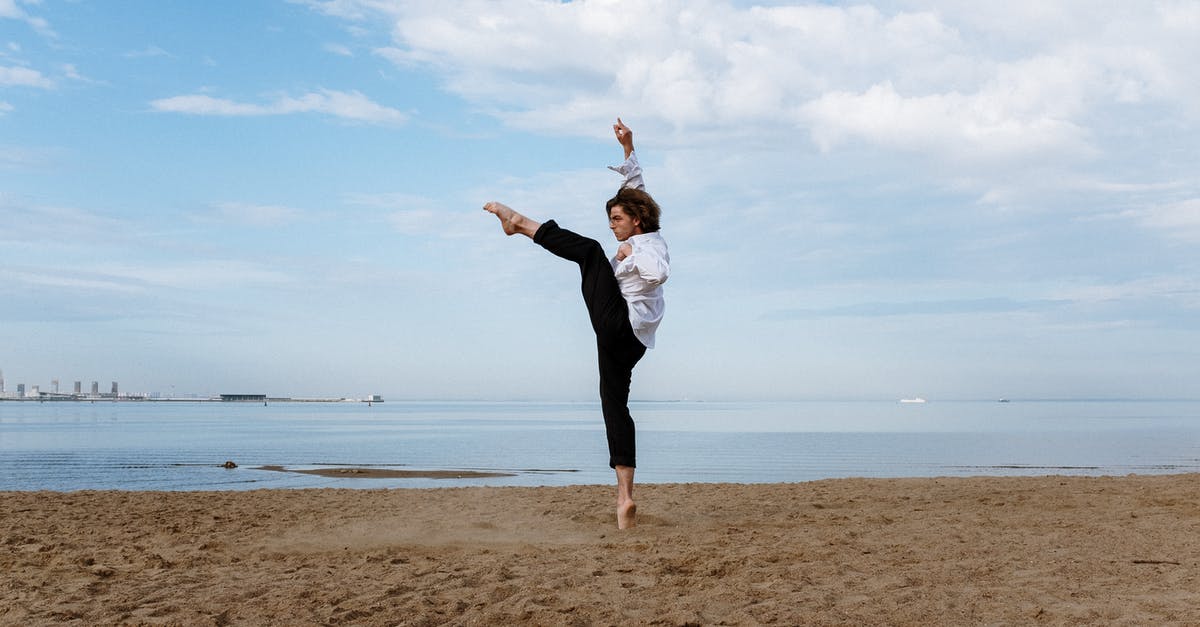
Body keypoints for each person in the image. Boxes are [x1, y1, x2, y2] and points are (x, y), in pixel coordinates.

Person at [483, 118, 669, 530]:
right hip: (631, 341)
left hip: (620, 324)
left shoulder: (650, 245)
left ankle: (519, 223)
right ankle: (625, 498)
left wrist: (627, 256)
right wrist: (629, 147)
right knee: (614, 405)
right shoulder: (640, 230)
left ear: (636, 220)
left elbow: (658, 273)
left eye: (617, 219)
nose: (613, 225)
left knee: (588, 252)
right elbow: (636, 188)